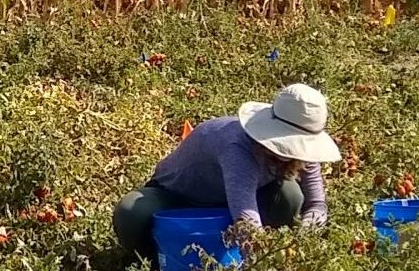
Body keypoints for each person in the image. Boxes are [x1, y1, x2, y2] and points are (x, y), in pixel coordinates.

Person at [113, 83, 337, 261]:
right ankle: (154, 263)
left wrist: (303, 239)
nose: (291, 150)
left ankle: (228, 257)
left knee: (290, 195)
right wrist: (262, 267)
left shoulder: (302, 153)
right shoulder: (237, 146)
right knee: (132, 212)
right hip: (178, 201)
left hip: (231, 205)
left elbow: (317, 204)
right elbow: (246, 221)